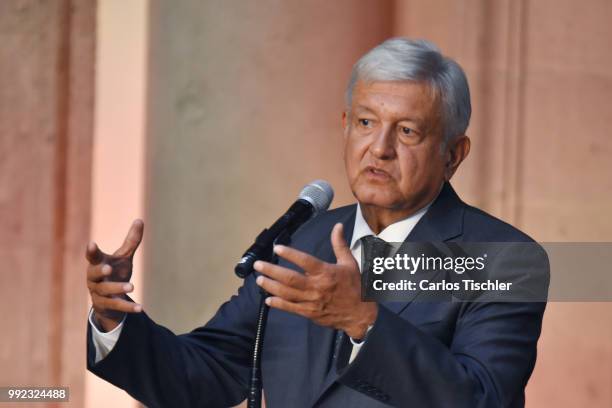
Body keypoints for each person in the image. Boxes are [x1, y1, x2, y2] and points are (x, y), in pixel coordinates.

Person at [86, 38, 548, 407]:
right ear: (346, 125)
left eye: (407, 131)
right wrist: (114, 322)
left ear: (453, 154)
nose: (380, 148)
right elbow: (207, 372)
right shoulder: (303, 240)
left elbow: (481, 398)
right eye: (366, 122)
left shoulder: (506, 261)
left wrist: (364, 322)